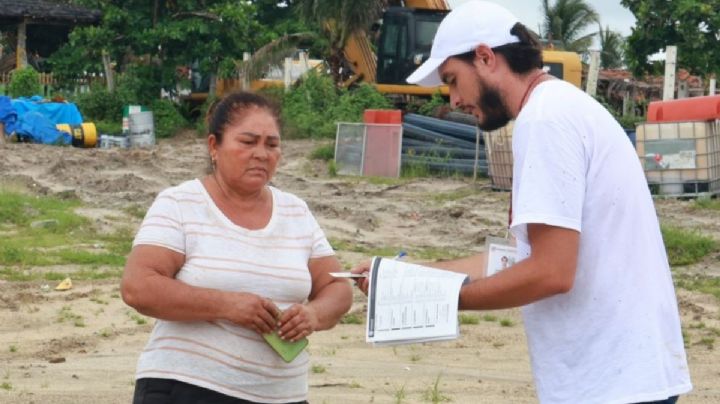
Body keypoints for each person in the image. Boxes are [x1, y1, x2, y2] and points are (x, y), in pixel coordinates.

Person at [353, 2, 691, 403]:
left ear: (484, 57)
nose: (454, 99)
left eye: (453, 80)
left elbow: (550, 273)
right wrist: (409, 276)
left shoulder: (545, 120)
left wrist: (434, 299)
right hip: (620, 379)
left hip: (610, 386)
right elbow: (522, 258)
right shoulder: (561, 106)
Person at [121, 91, 353, 404]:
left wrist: (312, 314)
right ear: (214, 146)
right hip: (187, 388)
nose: (262, 153)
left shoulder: (296, 211)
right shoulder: (180, 203)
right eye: (248, 142)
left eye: (272, 144)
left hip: (282, 395)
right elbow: (139, 288)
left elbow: (337, 288)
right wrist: (227, 305)